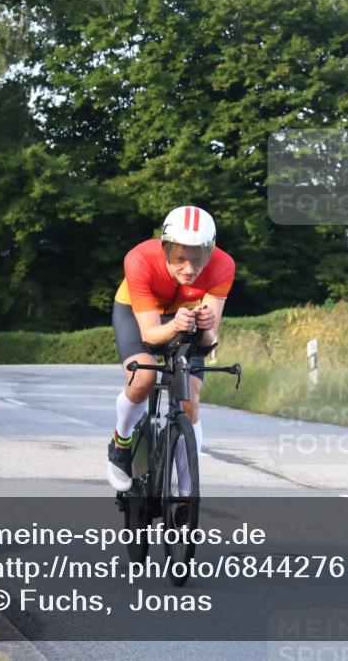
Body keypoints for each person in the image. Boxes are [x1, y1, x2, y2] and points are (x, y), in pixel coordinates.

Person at [107, 206, 235, 492]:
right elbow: (151, 336)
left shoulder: (223, 266)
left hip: (186, 318)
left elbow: (208, 340)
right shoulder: (140, 260)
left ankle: (187, 490)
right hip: (137, 314)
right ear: (165, 249)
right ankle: (121, 440)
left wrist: (206, 325)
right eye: (179, 259)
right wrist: (176, 324)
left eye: (199, 260)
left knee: (190, 399)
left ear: (211, 254)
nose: (189, 269)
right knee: (143, 378)